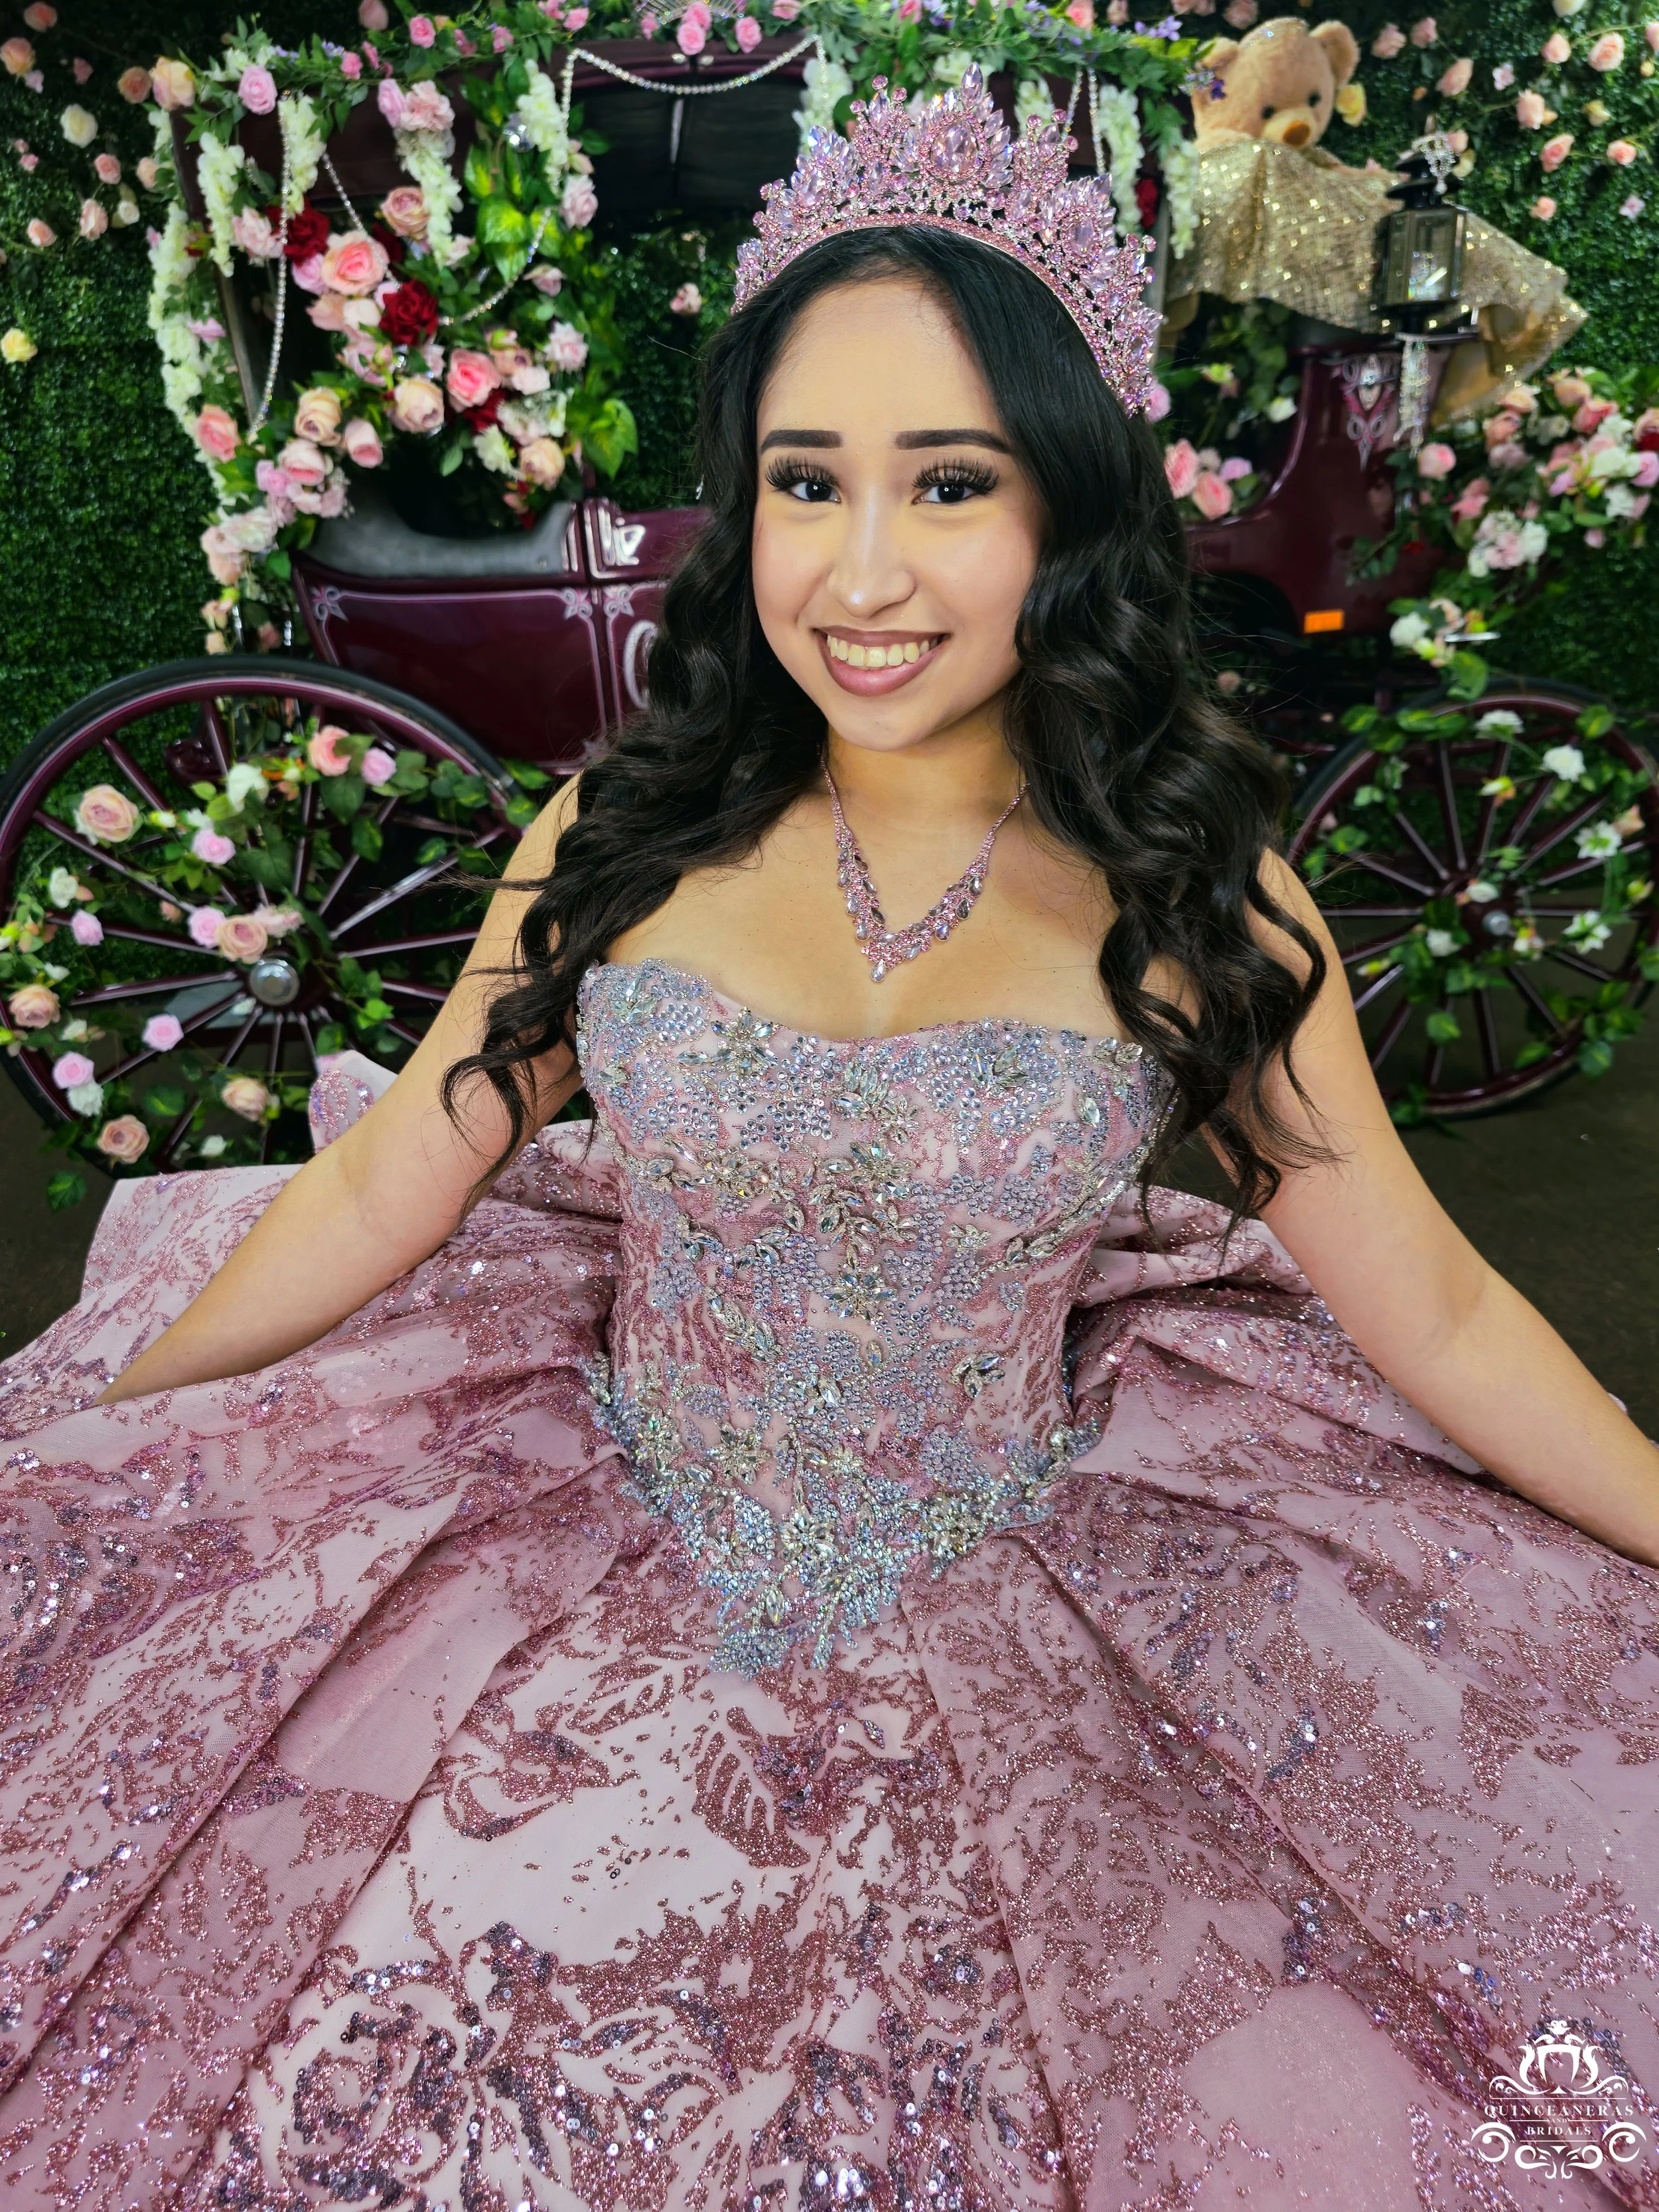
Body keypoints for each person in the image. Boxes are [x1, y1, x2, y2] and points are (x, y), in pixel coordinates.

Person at [2, 69, 1658, 2212]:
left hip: (1033, 1558)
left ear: (1066, 514)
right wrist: (108, 1434)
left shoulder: (1191, 893)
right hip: (578, 1517)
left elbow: (1425, 1300)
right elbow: (389, 1170)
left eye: (948, 484)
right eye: (806, 482)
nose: (863, 573)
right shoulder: (620, 826)